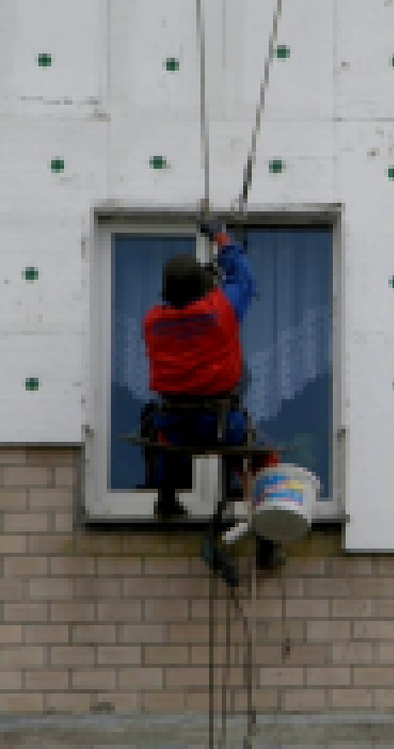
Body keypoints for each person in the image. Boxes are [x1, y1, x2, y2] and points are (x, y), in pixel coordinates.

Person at [142, 222, 282, 573]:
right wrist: (223, 239)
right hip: (220, 424)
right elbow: (245, 282)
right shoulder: (220, 311)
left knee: (154, 431)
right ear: (202, 290)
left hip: (174, 426)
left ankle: (167, 497)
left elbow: (185, 320)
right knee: (264, 461)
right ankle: (269, 543)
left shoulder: (151, 323)